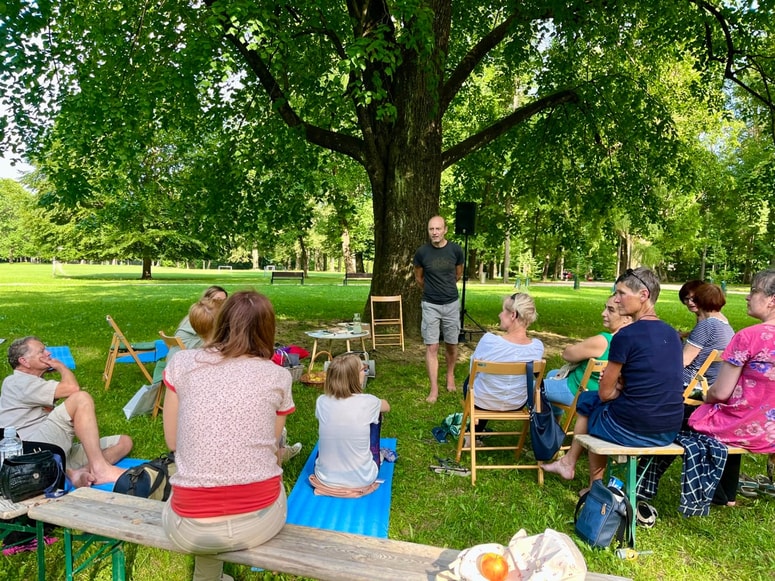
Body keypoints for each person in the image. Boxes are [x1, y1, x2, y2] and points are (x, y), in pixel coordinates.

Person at [162, 290, 293, 581]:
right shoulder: (278, 376)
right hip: (259, 521)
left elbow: (172, 442)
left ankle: (207, 576)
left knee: (204, 498)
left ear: (222, 321)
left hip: (188, 526)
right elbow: (271, 447)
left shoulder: (182, 363)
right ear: (267, 329)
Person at [543, 267, 684, 488]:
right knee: (592, 402)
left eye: (622, 293)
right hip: (669, 428)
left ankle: (594, 486)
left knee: (590, 403)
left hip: (634, 429)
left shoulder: (625, 335)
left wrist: (616, 388)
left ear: (643, 295)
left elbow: (605, 394)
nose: (617, 299)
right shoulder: (672, 334)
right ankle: (569, 464)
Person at [688, 269, 775, 506]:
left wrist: (703, 395)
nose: (748, 297)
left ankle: (644, 487)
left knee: (689, 416)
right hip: (769, 433)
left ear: (772, 299)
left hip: (747, 429)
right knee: (731, 414)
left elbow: (720, 393)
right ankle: (728, 496)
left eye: (754, 291)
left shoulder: (748, 336)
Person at [0, 337, 133, 487]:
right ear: (24, 361)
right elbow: (72, 389)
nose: (48, 353)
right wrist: (61, 366)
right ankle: (99, 469)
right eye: (41, 351)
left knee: (124, 442)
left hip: (53, 448)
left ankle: (78, 473)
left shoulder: (32, 383)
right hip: (32, 451)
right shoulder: (18, 382)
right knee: (81, 398)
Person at [462, 293, 544, 436]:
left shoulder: (490, 341)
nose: (499, 315)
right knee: (486, 383)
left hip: (483, 402)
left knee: (472, 382)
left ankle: (472, 435)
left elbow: (472, 371)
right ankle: (475, 434)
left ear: (513, 315)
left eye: (503, 311)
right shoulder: (537, 347)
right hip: (516, 403)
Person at [314, 354, 390, 490]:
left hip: (324, 477)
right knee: (376, 414)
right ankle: (376, 454)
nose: (365, 372)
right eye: (363, 369)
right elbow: (387, 406)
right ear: (354, 377)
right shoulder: (369, 402)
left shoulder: (321, 401)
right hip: (362, 478)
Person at [544, 296, 632, 407]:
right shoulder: (634, 342)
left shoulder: (604, 341)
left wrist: (570, 346)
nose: (603, 313)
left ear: (627, 317)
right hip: (607, 395)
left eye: (611, 310)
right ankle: (553, 418)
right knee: (552, 373)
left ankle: (544, 418)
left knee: (531, 387)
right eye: (605, 308)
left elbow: (567, 355)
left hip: (579, 392)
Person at [413, 216, 465, 403]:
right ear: (428, 231)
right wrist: (432, 290)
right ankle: (434, 388)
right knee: (432, 346)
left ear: (445, 230)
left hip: (451, 304)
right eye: (431, 229)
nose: (434, 232)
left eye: (438, 229)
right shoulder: (422, 253)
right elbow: (419, 278)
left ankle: (450, 375)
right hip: (430, 305)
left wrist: (445, 288)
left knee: (451, 344)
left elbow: (458, 274)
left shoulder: (456, 250)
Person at [681, 282, 734, 389]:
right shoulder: (725, 324)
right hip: (712, 382)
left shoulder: (707, 325)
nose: (690, 301)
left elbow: (683, 361)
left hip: (691, 383)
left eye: (694, 298)